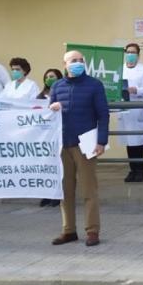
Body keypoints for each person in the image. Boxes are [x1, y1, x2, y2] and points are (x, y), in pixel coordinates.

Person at [49, 50, 109, 247]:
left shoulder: (94, 85)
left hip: (86, 144)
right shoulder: (57, 86)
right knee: (65, 191)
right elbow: (49, 115)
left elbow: (103, 114)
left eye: (80, 60)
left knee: (89, 190)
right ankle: (69, 230)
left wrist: (101, 141)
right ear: (65, 64)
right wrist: (53, 108)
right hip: (63, 144)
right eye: (73, 60)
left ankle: (92, 231)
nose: (78, 63)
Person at [119, 43, 143, 183]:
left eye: (133, 52)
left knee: (139, 142)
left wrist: (137, 91)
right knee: (129, 141)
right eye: (128, 52)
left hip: (139, 109)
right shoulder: (120, 69)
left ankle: (140, 171)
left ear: (138, 55)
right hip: (125, 110)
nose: (130, 54)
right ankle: (132, 170)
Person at [37, 68, 63, 208]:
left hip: (58, 134)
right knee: (45, 165)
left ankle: (56, 194)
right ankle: (45, 194)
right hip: (44, 135)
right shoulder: (40, 96)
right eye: (47, 77)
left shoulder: (62, 94)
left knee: (58, 165)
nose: (49, 79)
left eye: (52, 76)